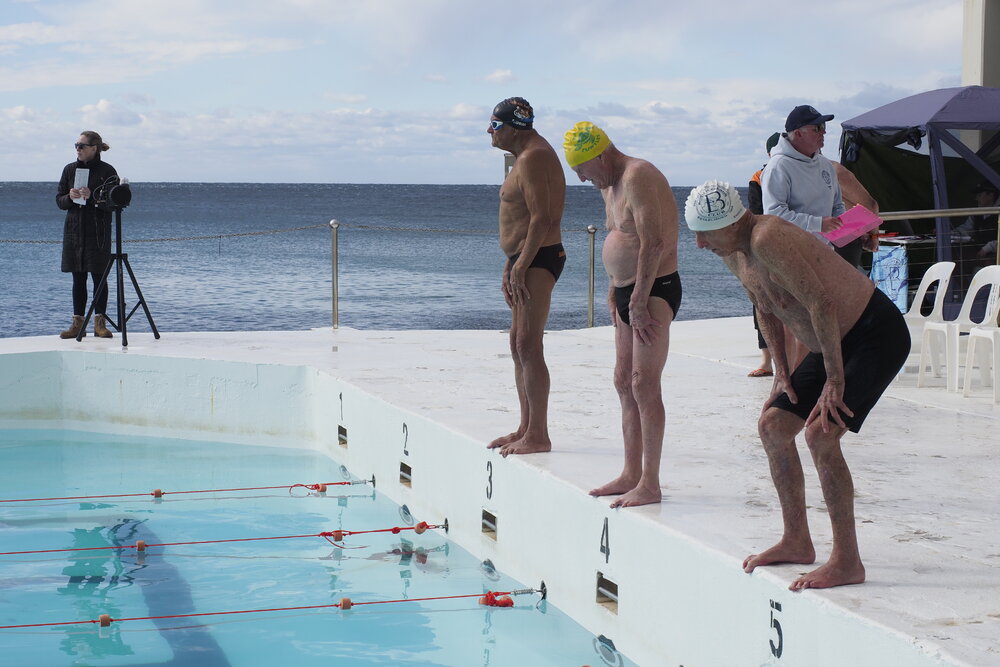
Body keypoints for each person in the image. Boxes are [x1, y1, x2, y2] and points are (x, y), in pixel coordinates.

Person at [684, 180, 910, 590]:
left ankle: (847, 561)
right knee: (773, 426)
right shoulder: (732, 250)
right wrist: (783, 370)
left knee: (822, 434)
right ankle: (797, 539)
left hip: (874, 333)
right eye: (694, 232)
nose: (699, 243)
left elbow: (820, 302)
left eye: (705, 233)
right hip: (831, 343)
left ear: (732, 221)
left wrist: (834, 380)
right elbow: (764, 304)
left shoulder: (768, 236)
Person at [563, 122, 679, 507]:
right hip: (629, 291)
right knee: (622, 380)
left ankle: (651, 482)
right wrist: (616, 288)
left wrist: (641, 298)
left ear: (600, 154)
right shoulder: (608, 184)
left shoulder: (638, 174)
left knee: (644, 383)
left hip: (656, 289)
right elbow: (619, 234)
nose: (582, 178)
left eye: (582, 168)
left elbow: (654, 241)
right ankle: (630, 472)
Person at [485, 97, 566, 457]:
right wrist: (511, 261)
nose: (489, 131)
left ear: (514, 127)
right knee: (518, 345)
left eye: (495, 125)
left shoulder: (535, 156)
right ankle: (525, 427)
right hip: (525, 258)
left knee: (529, 345)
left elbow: (542, 217)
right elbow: (522, 220)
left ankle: (539, 434)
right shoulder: (524, 157)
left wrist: (521, 264)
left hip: (539, 259)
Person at [762, 105, 846, 367]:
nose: (823, 133)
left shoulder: (825, 165)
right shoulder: (778, 166)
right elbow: (774, 214)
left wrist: (852, 227)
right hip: (792, 257)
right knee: (802, 325)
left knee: (826, 319)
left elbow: (838, 205)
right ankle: (797, 382)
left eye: (824, 128)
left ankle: (815, 379)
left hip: (824, 254)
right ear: (797, 134)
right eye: (817, 128)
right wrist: (818, 223)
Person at [55, 131, 119, 339]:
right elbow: (59, 200)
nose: (77, 149)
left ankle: (99, 323)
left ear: (94, 148)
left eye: (81, 145)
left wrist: (92, 198)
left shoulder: (108, 172)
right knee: (78, 277)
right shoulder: (69, 169)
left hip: (97, 232)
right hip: (74, 231)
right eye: (76, 145)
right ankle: (77, 323)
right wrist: (69, 197)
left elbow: (113, 204)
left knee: (99, 277)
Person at [747, 132, 780, 377]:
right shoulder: (759, 177)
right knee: (762, 302)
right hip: (768, 245)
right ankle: (767, 359)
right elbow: (756, 213)